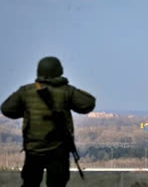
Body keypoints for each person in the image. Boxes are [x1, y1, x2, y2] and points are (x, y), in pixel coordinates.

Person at [1, 56, 96, 187]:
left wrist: (25, 112)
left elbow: (7, 109)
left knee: (30, 182)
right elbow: (88, 104)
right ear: (58, 71)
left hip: (33, 148)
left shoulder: (26, 91)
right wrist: (69, 89)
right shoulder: (66, 91)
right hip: (58, 148)